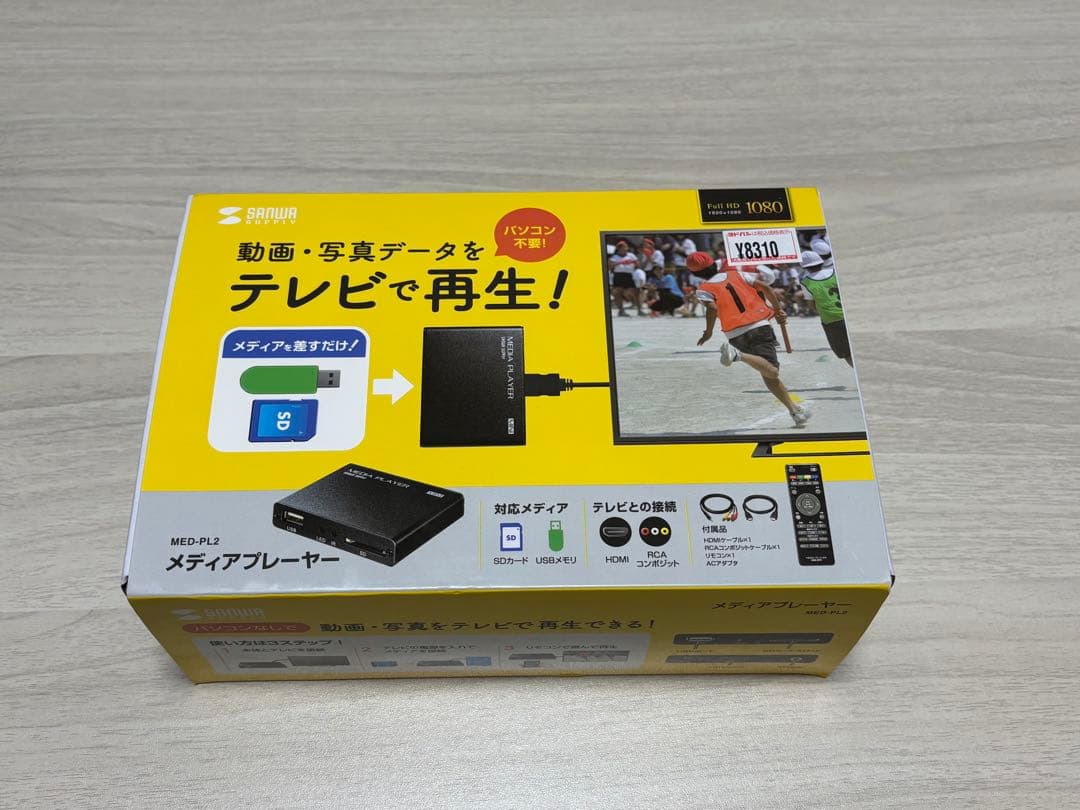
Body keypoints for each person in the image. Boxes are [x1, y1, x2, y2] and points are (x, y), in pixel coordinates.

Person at [686, 251, 810, 427]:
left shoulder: (703, 289)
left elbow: (712, 308)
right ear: (714, 263)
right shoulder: (737, 274)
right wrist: (778, 310)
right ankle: (738, 356)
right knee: (772, 371)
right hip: (758, 325)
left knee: (766, 372)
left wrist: (708, 331)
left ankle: (794, 410)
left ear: (695, 274)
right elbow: (766, 288)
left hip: (734, 333)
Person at [798, 250, 852, 366]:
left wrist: (821, 312)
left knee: (846, 353)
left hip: (831, 320)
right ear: (821, 262)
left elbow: (811, 304)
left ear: (804, 267)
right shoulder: (834, 272)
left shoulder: (805, 282)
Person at [607, 240, 642, 316]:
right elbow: (610, 266)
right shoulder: (614, 257)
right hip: (618, 275)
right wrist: (620, 262)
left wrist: (633, 262)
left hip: (629, 275)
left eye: (626, 247)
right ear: (619, 249)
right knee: (618, 293)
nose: (625, 249)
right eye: (623, 247)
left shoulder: (631, 255)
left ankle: (640, 310)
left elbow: (638, 265)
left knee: (635, 292)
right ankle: (621, 311)